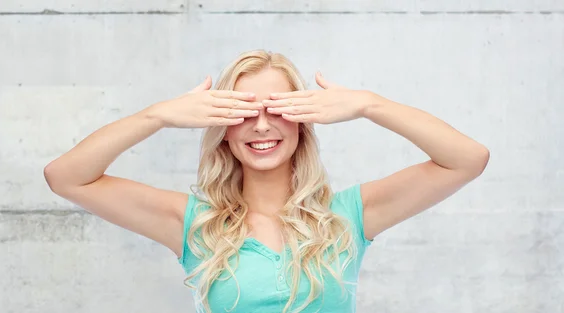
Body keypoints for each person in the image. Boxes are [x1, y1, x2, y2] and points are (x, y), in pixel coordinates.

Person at [44, 49, 490, 313]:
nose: (260, 126)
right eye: (242, 110)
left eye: (276, 108)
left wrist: (370, 105)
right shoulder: (194, 224)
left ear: (303, 122)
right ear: (222, 128)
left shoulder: (350, 215)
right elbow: (65, 177)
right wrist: (156, 116)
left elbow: (467, 159)